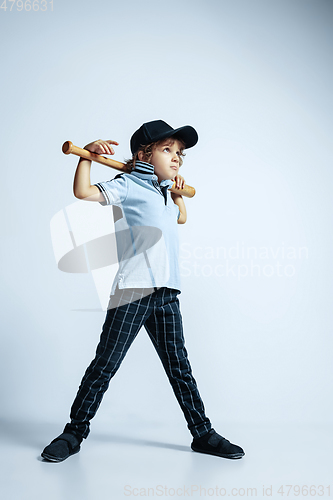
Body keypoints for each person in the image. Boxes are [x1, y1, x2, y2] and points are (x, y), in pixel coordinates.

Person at [41, 120, 245, 462]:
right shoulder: (128, 183)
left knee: (180, 367)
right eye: (168, 150)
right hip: (132, 292)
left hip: (167, 293)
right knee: (105, 365)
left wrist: (178, 196)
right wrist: (87, 156)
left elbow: (177, 219)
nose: (177, 158)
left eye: (180, 153)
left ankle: (203, 434)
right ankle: (74, 432)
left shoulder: (165, 191)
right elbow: (83, 192)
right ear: (144, 154)